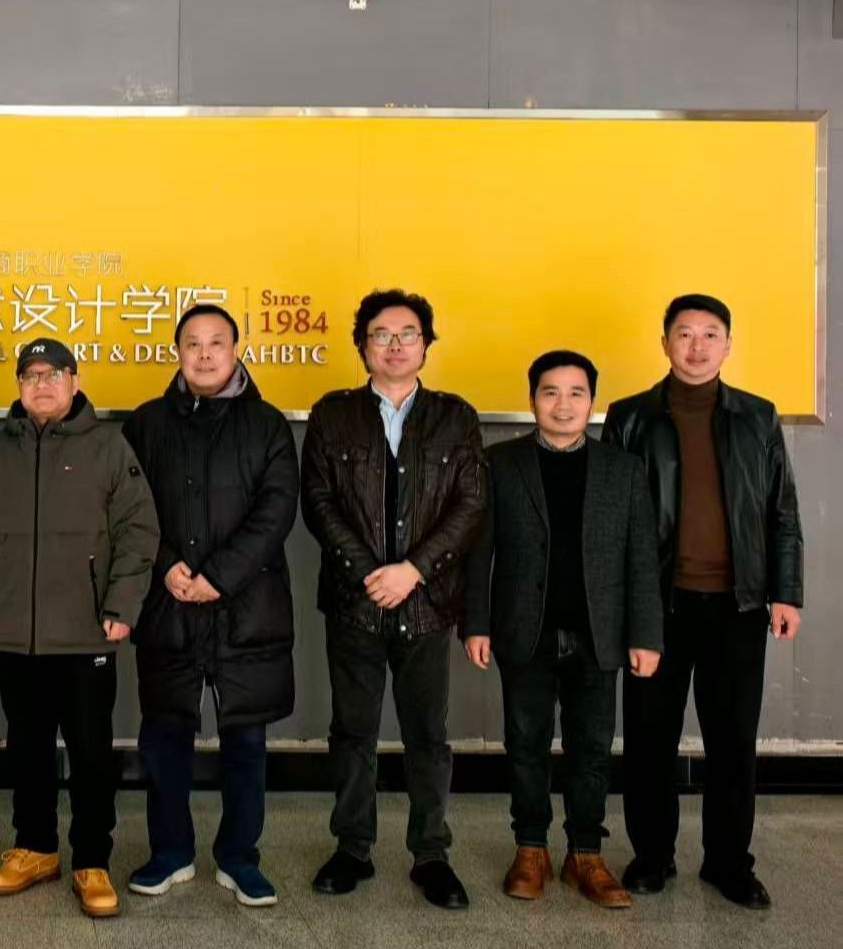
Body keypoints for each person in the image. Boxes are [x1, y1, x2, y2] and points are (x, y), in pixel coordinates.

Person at [604, 294, 804, 909]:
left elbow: (782, 512)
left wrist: (786, 592)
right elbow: (609, 520)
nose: (696, 346)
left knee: (733, 740)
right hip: (656, 606)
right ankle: (651, 855)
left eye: (709, 334)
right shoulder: (630, 417)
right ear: (664, 342)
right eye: (684, 333)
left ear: (728, 345)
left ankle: (728, 863)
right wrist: (622, 607)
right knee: (649, 739)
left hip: (738, 606)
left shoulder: (758, 417)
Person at [0, 338, 158, 919]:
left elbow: (139, 530)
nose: (41, 385)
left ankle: (92, 860)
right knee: (27, 747)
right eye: (31, 375)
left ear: (75, 381)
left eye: (53, 374)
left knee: (91, 753)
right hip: (15, 632)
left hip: (87, 631)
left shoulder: (109, 447)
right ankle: (35, 847)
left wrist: (122, 604)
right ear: (19, 387)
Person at [301, 288, 485, 909]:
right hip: (354, 604)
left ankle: (431, 854)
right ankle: (352, 848)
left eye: (408, 334)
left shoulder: (455, 417)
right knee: (352, 732)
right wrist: (370, 574)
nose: (395, 345)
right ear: (362, 346)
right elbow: (318, 502)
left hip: (428, 604)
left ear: (426, 345)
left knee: (427, 735)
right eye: (381, 334)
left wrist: (412, 571)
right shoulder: (333, 414)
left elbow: (470, 505)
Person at [463, 350, 663, 908]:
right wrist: (475, 623)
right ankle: (530, 848)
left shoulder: (623, 470)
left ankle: (586, 854)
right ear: (533, 400)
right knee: (525, 744)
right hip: (523, 630)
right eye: (550, 392)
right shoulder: (500, 464)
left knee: (591, 748)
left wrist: (646, 635)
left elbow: (642, 559)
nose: (563, 404)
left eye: (576, 393)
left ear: (592, 401)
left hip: (600, 633)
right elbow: (479, 552)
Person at [121, 305, 300, 908]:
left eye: (215, 343)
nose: (203, 354)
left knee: (245, 740)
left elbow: (276, 511)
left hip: (246, 605)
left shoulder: (267, 425)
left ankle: (239, 858)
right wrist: (168, 563)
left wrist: (219, 576)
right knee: (164, 738)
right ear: (177, 352)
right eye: (192, 343)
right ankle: (170, 853)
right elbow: (128, 507)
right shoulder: (146, 423)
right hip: (168, 602)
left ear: (235, 350)